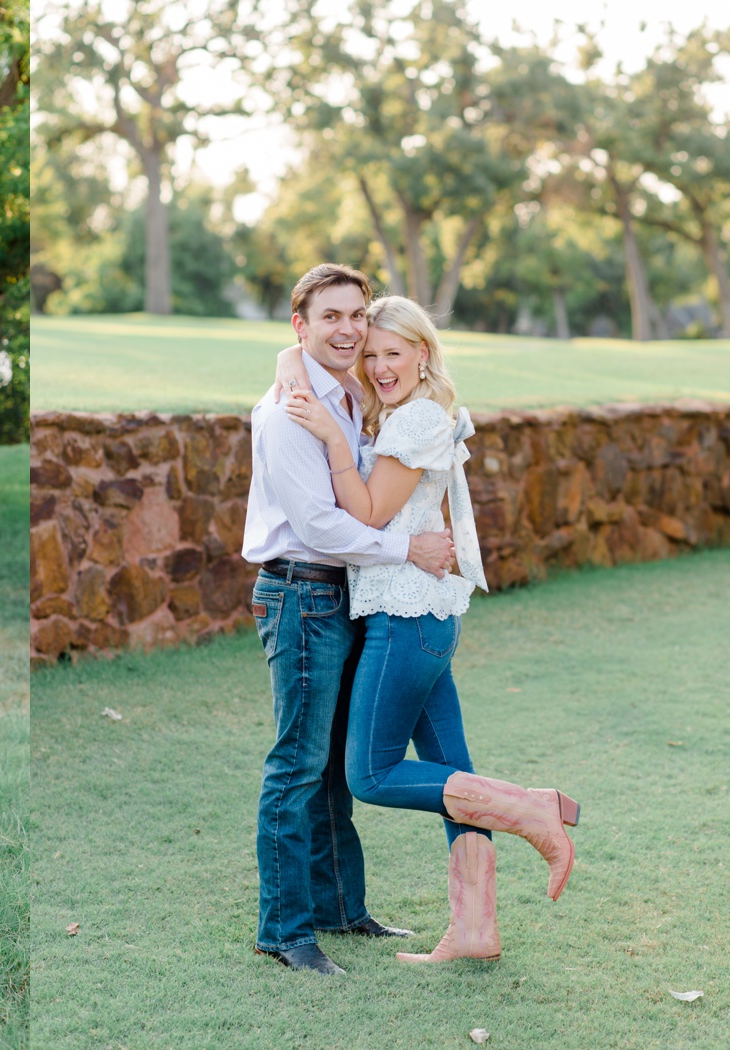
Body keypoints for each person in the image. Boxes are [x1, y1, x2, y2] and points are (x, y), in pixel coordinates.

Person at [281, 294, 579, 964]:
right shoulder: (406, 412)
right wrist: (294, 355)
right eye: (372, 353)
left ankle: (531, 809)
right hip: (426, 615)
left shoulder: (414, 420)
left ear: (423, 353)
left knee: (371, 773)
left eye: (395, 352)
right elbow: (291, 357)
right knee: (451, 771)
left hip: (405, 617)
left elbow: (367, 510)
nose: (381, 366)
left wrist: (331, 438)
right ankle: (475, 930)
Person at [243, 263, 459, 976]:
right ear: (300, 325)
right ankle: (284, 931)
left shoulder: (342, 394)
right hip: (302, 592)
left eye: (356, 316)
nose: (348, 329)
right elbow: (321, 525)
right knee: (298, 764)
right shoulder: (288, 411)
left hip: (345, 596)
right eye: (329, 316)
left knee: (336, 766)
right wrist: (410, 548)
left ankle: (341, 909)